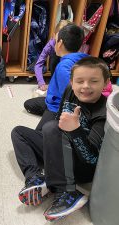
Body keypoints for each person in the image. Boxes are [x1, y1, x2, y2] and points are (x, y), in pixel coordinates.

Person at [11, 57, 110, 221]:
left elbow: (92, 159)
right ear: (72, 82)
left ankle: (68, 191)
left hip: (81, 166)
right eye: (80, 81)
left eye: (93, 81)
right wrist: (52, 142)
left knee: (50, 127)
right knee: (19, 133)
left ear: (105, 83)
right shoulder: (70, 91)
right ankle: (35, 177)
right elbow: (58, 119)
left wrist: (76, 130)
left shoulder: (102, 113)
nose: (85, 86)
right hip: (62, 147)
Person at [24, 24, 87, 131]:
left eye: (55, 40)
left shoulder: (63, 68)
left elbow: (70, 100)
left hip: (57, 107)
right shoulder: (84, 58)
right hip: (54, 99)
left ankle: (52, 119)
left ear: (60, 43)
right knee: (29, 104)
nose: (54, 42)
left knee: (36, 136)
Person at [33, 20, 72, 92]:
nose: (60, 43)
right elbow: (38, 64)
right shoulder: (50, 45)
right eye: (58, 39)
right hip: (55, 65)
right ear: (54, 35)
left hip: (68, 72)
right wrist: (41, 82)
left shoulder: (71, 47)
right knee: (54, 58)